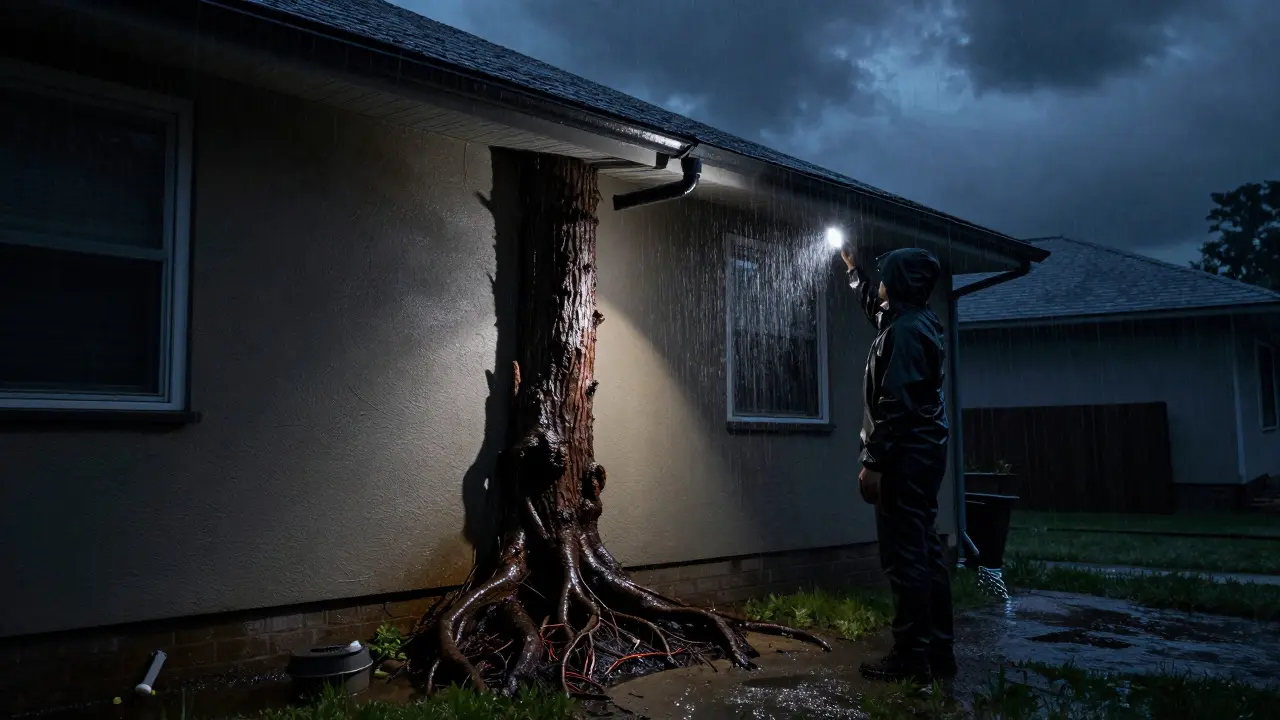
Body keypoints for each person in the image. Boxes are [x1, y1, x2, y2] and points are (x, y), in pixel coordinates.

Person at [841, 245, 955, 684]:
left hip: (907, 458)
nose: (880, 281)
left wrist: (874, 461)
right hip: (921, 455)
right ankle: (938, 651)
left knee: (907, 557)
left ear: (902, 282)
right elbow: (878, 308)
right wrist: (855, 274)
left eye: (884, 275)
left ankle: (911, 656)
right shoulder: (911, 322)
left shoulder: (907, 332)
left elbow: (898, 404)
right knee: (924, 553)